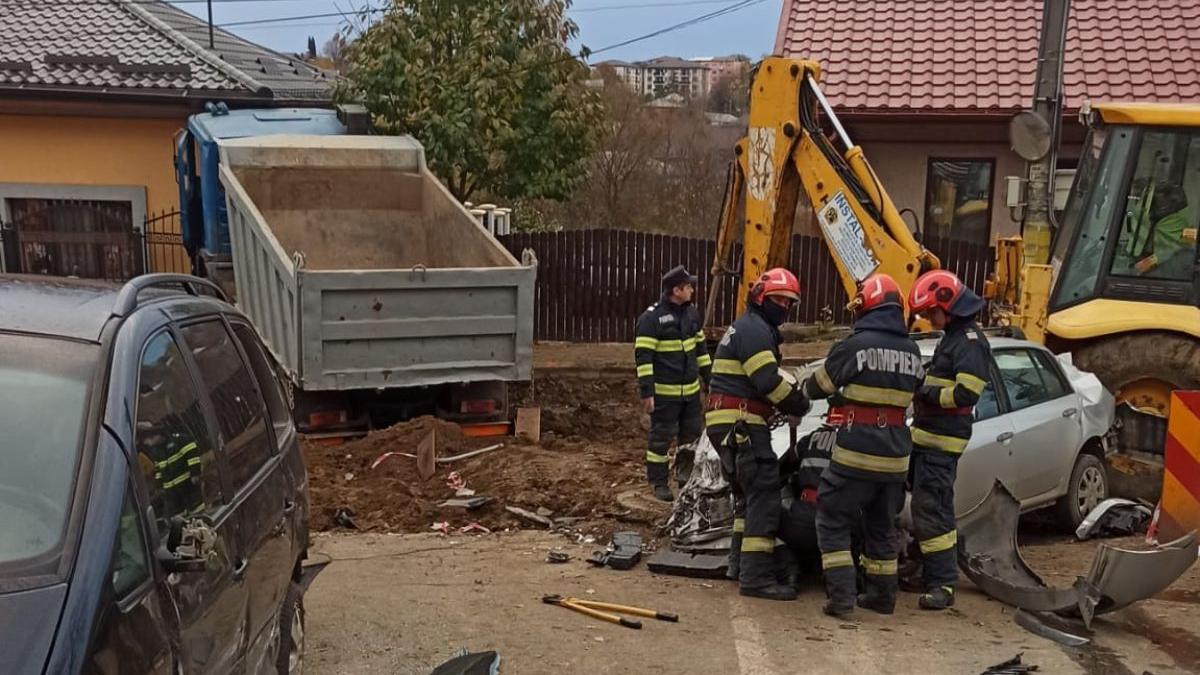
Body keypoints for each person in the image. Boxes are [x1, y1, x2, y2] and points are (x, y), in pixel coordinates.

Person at [802, 273, 923, 617]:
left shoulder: (853, 346)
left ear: (867, 306)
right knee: (882, 527)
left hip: (856, 454)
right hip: (896, 458)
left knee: (832, 518)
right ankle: (882, 597)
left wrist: (832, 391)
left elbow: (817, 387)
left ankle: (841, 599)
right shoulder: (913, 350)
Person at [705, 268, 811, 600]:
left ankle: (737, 566)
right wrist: (799, 403)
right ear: (761, 295)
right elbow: (767, 381)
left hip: (731, 423)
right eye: (779, 299)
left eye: (789, 301)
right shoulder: (754, 330)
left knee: (746, 501)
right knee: (764, 499)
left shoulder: (748, 327)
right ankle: (756, 579)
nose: (784, 306)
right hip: (743, 424)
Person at [907, 269, 991, 610]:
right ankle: (926, 570)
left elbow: (967, 393)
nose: (929, 319)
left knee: (933, 510)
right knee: (924, 506)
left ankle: (942, 583)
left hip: (943, 443)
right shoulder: (954, 337)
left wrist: (925, 390)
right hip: (928, 439)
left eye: (931, 312)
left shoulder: (970, 342)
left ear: (948, 303)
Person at [635, 265, 712, 502]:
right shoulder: (651, 319)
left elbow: (701, 350)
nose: (692, 290)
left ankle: (686, 480)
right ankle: (658, 482)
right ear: (676, 290)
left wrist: (711, 381)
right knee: (661, 440)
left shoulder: (691, 314)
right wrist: (647, 393)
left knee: (691, 439)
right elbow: (644, 359)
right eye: (688, 286)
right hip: (665, 395)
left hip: (690, 395)